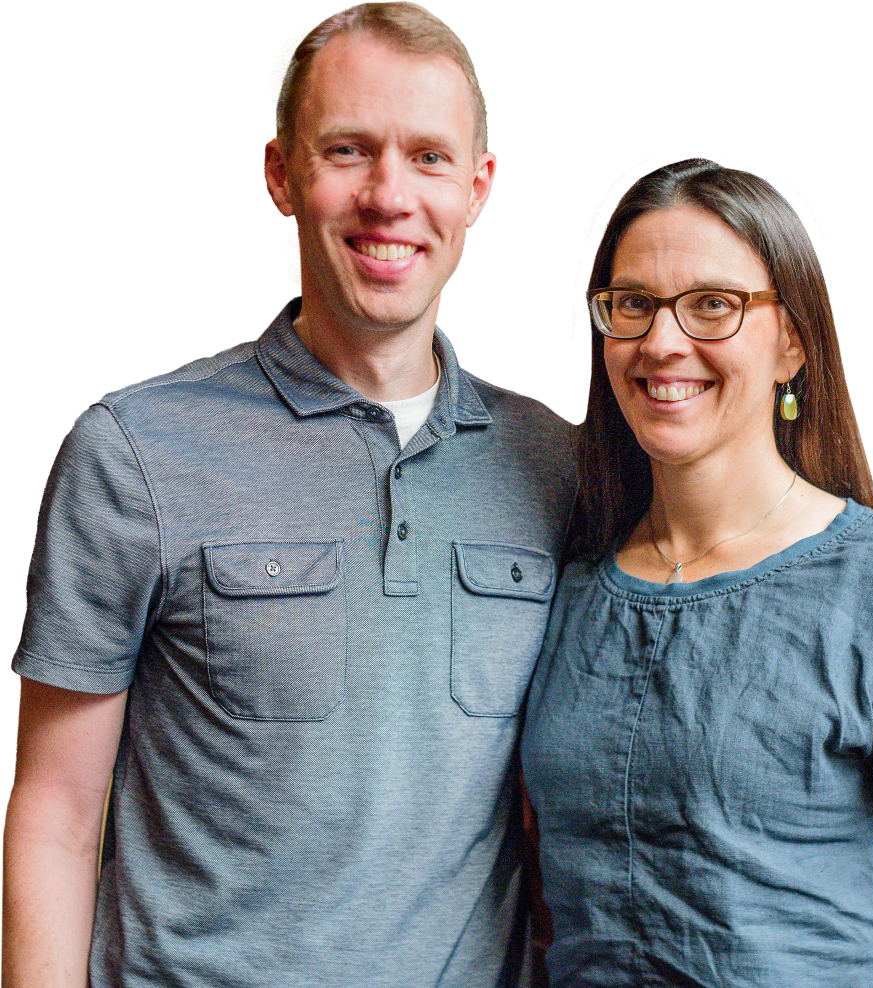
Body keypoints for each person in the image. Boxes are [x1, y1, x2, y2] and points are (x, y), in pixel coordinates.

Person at [2, 4, 574, 986]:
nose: (388, 195)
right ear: (280, 177)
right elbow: (55, 814)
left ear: (478, 192)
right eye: (348, 150)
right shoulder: (134, 451)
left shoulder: (555, 462)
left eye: (429, 158)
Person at [520, 157, 873, 988]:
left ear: (792, 342)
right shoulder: (567, 584)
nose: (663, 343)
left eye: (713, 305)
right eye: (634, 303)